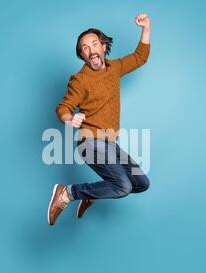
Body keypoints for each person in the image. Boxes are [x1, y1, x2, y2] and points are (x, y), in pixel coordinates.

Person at [48, 13, 152, 226]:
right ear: (83, 55)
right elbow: (64, 107)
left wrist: (146, 28)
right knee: (123, 187)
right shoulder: (80, 80)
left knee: (141, 183)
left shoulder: (115, 68)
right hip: (90, 143)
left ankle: (93, 194)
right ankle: (67, 193)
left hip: (110, 144)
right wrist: (69, 119)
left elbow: (140, 57)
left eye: (94, 44)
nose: (91, 49)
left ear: (103, 47)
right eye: (85, 48)